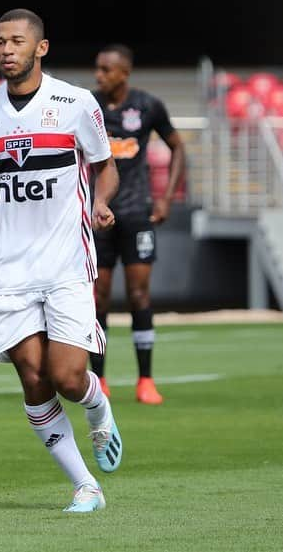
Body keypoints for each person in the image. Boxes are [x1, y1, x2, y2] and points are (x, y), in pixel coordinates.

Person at [0, 8, 123, 513]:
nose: (6, 49)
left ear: (41, 48)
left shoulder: (76, 103)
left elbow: (105, 167)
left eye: (16, 41)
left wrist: (101, 202)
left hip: (66, 265)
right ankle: (85, 486)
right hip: (10, 271)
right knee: (33, 378)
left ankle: (98, 407)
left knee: (68, 377)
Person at [90, 44, 186, 404]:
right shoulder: (88, 105)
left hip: (136, 214)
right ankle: (98, 379)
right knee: (97, 296)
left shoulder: (147, 106)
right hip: (98, 216)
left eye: (106, 70)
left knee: (138, 295)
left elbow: (177, 146)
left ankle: (145, 379)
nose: (99, 76)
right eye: (97, 69)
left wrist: (166, 198)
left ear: (124, 73)